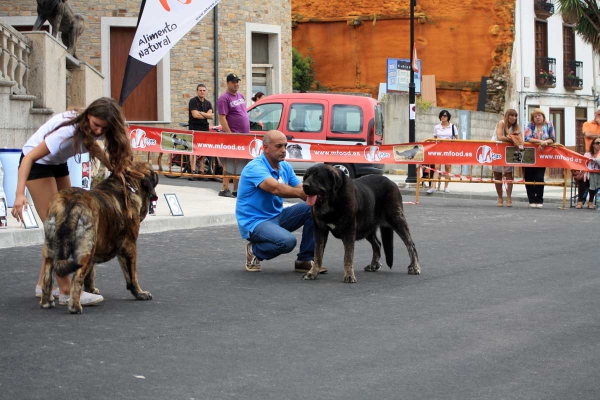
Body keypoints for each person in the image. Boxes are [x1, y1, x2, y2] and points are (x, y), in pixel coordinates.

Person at [11, 97, 135, 306]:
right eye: (95, 125)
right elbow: (29, 158)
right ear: (87, 116)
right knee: (59, 229)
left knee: (71, 223)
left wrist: (116, 170)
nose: (98, 131)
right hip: (36, 164)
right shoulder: (66, 132)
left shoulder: (92, 130)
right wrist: (19, 194)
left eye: (103, 129)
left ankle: (44, 284)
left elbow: (94, 148)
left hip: (57, 163)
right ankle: (67, 291)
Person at [235, 129, 327, 274]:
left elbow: (301, 189)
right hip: (255, 223)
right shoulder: (255, 167)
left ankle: (304, 260)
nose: (284, 150)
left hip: (277, 216)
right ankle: (254, 251)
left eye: (285, 146)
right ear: (265, 148)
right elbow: (275, 188)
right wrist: (304, 193)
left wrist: (321, 198)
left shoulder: (284, 166)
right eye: (279, 146)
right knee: (287, 242)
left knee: (312, 208)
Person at [217, 73, 250, 198]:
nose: (236, 84)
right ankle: (225, 188)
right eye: (233, 82)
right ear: (228, 83)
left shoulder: (240, 95)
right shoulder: (224, 98)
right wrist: (229, 133)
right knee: (229, 162)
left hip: (244, 136)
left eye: (237, 82)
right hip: (233, 135)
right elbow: (222, 117)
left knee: (240, 163)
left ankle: (236, 190)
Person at [523, 108, 555, 208]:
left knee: (539, 177)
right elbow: (527, 138)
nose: (537, 117)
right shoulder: (530, 125)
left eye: (539, 115)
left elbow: (552, 138)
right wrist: (540, 142)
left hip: (542, 155)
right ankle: (531, 200)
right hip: (529, 154)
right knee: (529, 177)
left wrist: (545, 143)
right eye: (535, 116)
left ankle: (539, 199)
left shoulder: (549, 124)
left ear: (543, 116)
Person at [493, 109, 523, 207]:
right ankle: (500, 197)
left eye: (515, 116)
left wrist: (513, 139)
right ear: (507, 116)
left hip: (509, 151)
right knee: (497, 175)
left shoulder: (516, 126)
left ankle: (509, 197)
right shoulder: (501, 123)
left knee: (509, 175)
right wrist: (512, 138)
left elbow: (520, 137)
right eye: (511, 116)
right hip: (497, 150)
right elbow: (499, 137)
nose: (513, 118)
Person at [188, 83, 214, 181]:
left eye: (204, 90)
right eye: (200, 90)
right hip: (194, 128)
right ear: (197, 91)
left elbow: (211, 116)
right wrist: (205, 114)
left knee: (203, 150)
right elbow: (195, 115)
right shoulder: (193, 101)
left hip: (204, 128)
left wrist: (201, 113)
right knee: (193, 150)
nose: (202, 92)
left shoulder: (208, 103)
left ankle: (201, 171)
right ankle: (193, 171)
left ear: (206, 92)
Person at [427, 109, 457, 194]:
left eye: (445, 116)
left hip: (448, 149)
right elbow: (434, 138)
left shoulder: (452, 127)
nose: (443, 117)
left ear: (448, 117)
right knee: (437, 167)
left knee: (447, 167)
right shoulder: (437, 127)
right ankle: (433, 186)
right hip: (439, 148)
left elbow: (457, 139)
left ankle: (446, 187)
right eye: (442, 115)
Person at [573, 139, 597, 209]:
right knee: (584, 179)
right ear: (593, 145)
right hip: (587, 175)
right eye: (598, 143)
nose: (599, 145)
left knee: (594, 178)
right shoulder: (588, 154)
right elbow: (584, 165)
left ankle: (591, 202)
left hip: (597, 177)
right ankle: (580, 201)